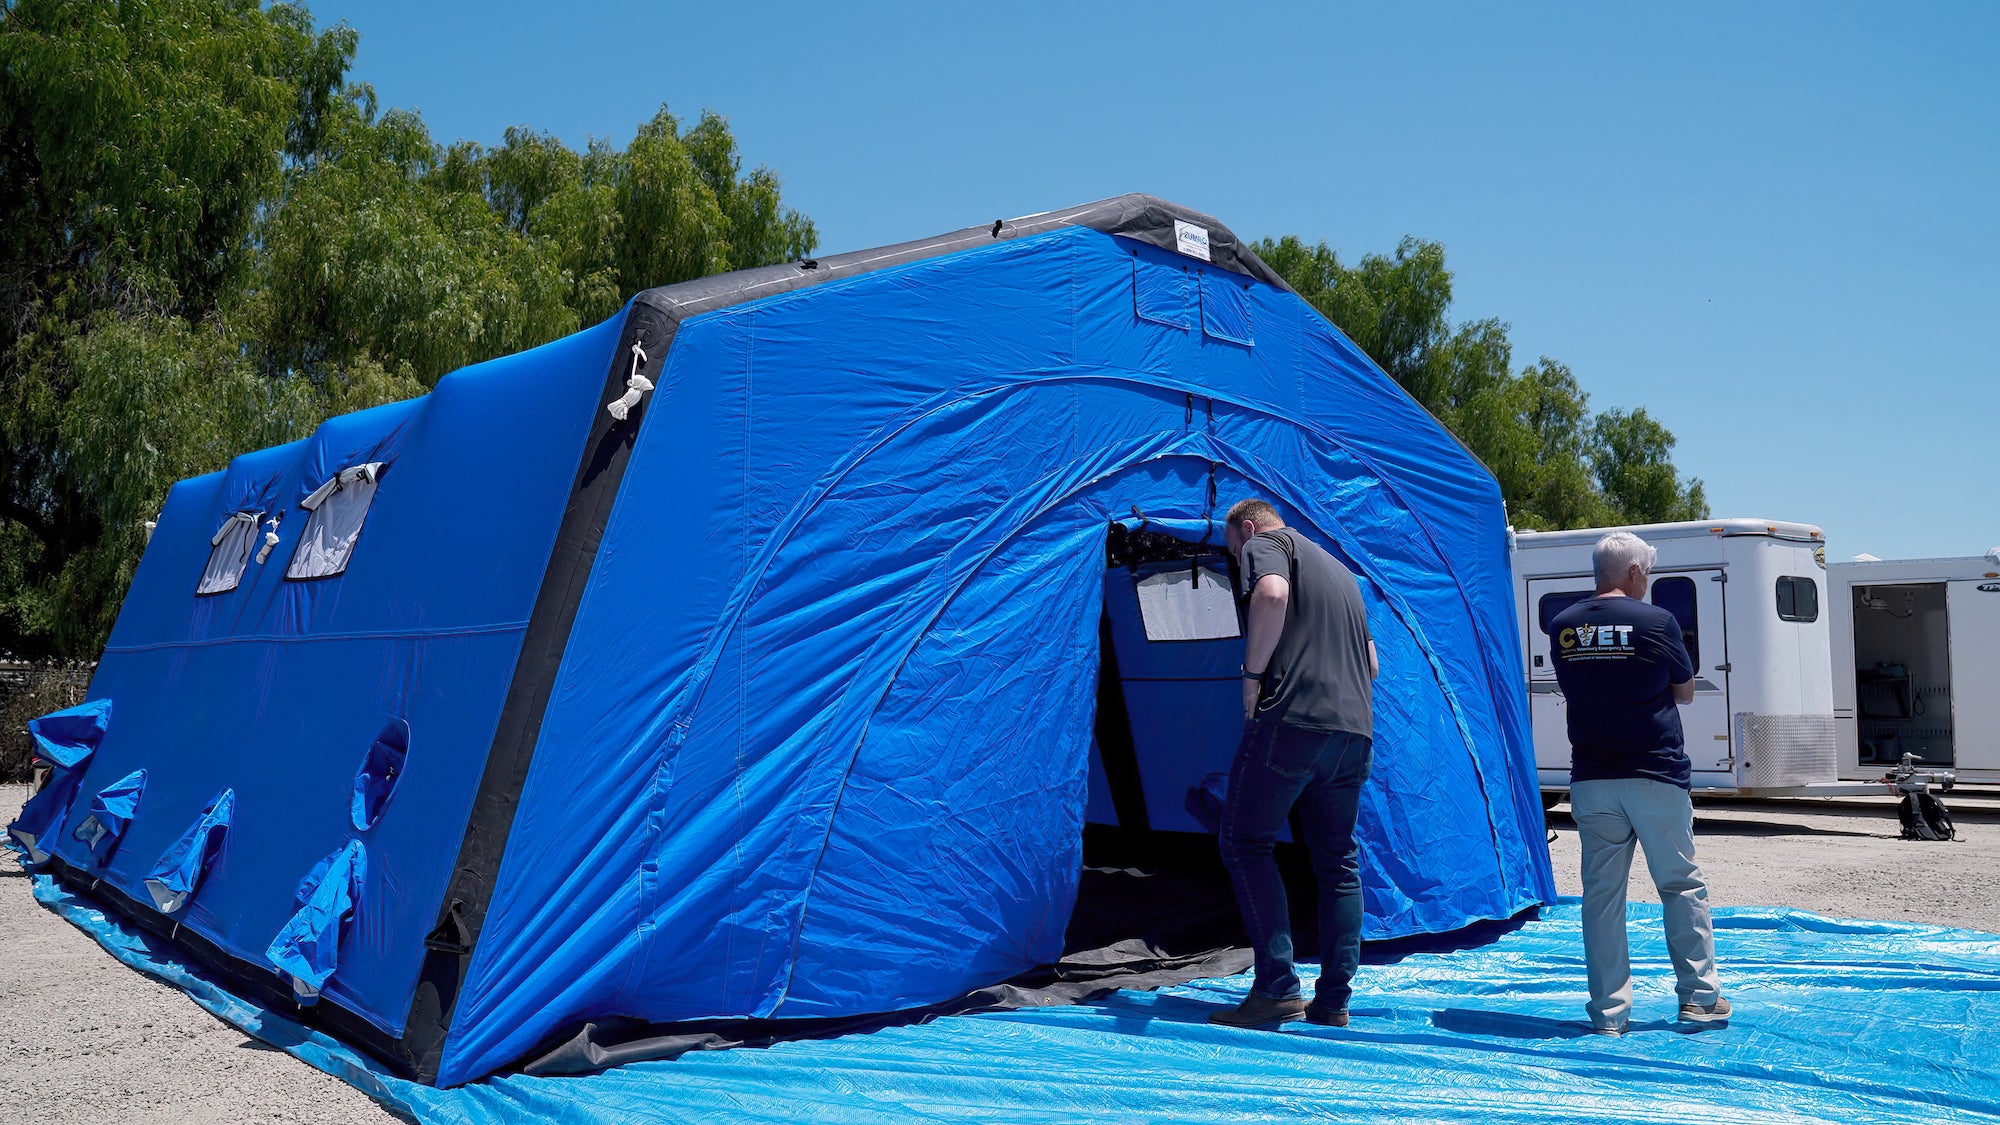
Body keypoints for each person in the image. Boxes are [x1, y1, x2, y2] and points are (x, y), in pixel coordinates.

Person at [1547, 530, 1729, 1036]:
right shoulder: (1657, 621)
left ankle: (1609, 1014)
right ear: (1632, 572)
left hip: (1593, 777)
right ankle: (1699, 999)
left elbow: (1576, 687)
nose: (1647, 579)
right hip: (1655, 774)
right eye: (1646, 571)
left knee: (1602, 898)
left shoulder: (1563, 627)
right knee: (1680, 884)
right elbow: (1685, 691)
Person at [1208, 499, 1378, 1029]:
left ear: (1247, 528)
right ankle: (1333, 1003)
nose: (1238, 560)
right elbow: (1373, 664)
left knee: (1244, 842)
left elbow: (1272, 593)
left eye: (1233, 552)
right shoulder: (1344, 574)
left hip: (1294, 721)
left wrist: (1252, 675)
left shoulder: (1268, 543)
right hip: (1354, 731)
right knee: (1338, 861)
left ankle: (1277, 988)